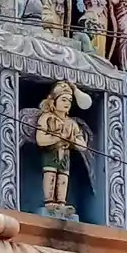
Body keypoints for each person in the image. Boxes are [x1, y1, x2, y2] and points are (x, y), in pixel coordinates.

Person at [35, 79, 90, 216]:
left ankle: (61, 204)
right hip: (51, 153)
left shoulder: (72, 124)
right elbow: (40, 140)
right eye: (64, 100)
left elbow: (83, 146)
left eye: (70, 101)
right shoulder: (46, 118)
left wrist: (72, 141)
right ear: (54, 101)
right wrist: (56, 138)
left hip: (65, 155)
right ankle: (49, 202)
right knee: (51, 175)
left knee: (63, 179)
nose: (67, 104)